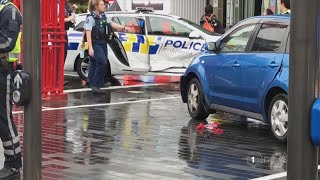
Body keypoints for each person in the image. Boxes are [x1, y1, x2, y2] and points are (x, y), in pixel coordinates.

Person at [85, 0, 133, 94]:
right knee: (102, 62)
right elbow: (88, 32)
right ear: (96, 7)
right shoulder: (90, 18)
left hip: (103, 42)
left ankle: (90, 80)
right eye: (102, 5)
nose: (104, 6)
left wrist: (124, 27)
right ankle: (96, 84)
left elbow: (112, 24)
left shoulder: (104, 15)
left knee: (95, 63)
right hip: (95, 43)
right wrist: (90, 47)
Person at [0, 0, 22, 179]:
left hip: (4, 70)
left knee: (4, 118)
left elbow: (7, 42)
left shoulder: (10, 11)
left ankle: (13, 163)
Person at [63, 0, 77, 85]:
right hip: (57, 32)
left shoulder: (66, 4)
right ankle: (57, 78)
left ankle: (59, 77)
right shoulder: (58, 4)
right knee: (58, 57)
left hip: (64, 32)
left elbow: (71, 17)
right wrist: (69, 18)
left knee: (63, 55)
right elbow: (56, 19)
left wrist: (73, 12)